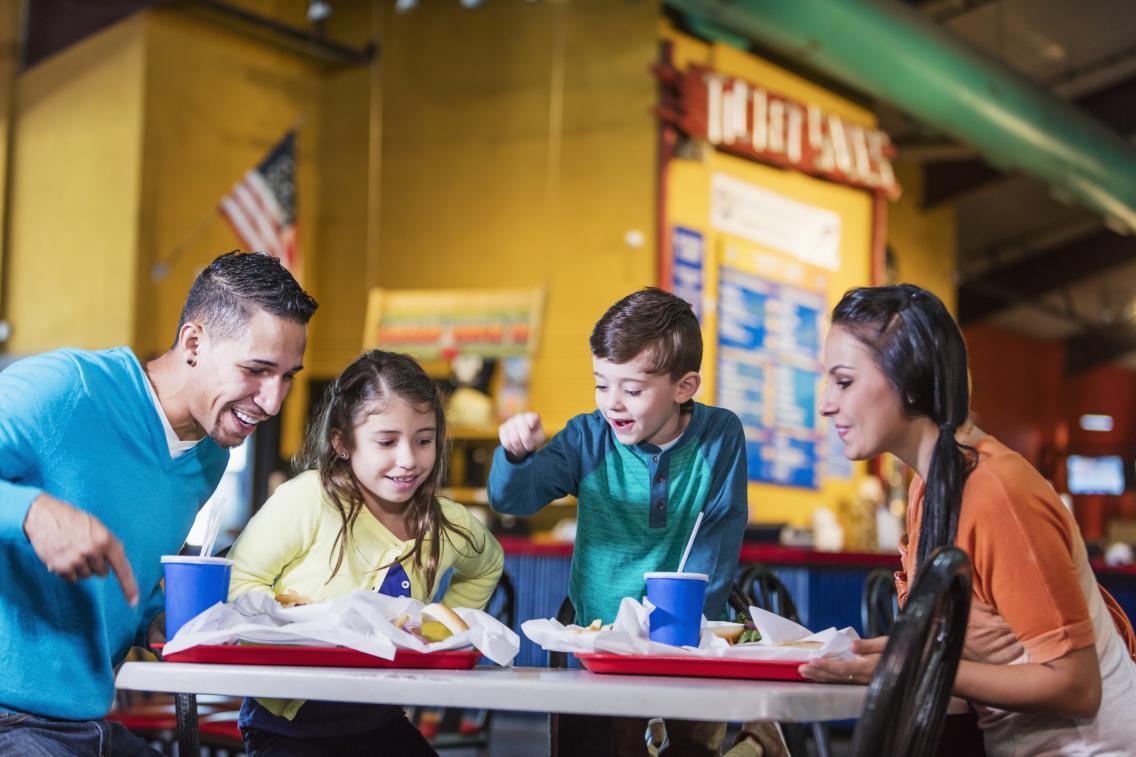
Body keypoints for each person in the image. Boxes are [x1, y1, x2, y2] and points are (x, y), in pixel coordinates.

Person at [0, 251, 317, 755]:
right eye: (256, 370)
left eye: (287, 376)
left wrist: (158, 617)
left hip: (85, 722)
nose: (273, 401)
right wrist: (31, 513)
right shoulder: (65, 390)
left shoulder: (210, 455)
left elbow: (129, 571)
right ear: (193, 342)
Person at [799, 283, 1136, 755]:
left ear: (910, 379)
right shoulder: (933, 486)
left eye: (844, 381)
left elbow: (1077, 687)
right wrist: (898, 656)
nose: (825, 403)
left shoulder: (996, 491)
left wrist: (911, 664)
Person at [489, 287, 748, 756]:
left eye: (632, 389)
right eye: (601, 383)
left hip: (688, 647)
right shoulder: (588, 438)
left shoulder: (719, 436)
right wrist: (514, 455)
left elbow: (718, 540)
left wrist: (672, 637)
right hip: (596, 646)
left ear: (684, 387)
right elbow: (514, 498)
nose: (612, 403)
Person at [227, 350, 504, 757]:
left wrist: (438, 632)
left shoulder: (445, 523)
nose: (408, 459)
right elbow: (237, 580)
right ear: (342, 441)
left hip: (379, 720)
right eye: (387, 441)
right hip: (289, 725)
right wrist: (300, 629)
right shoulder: (308, 499)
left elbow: (488, 564)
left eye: (424, 440)